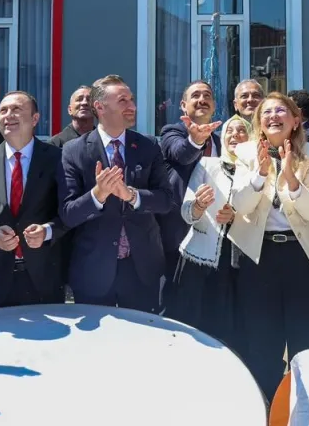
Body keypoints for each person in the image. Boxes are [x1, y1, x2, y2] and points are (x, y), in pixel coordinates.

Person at [229, 92, 309, 400]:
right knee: (262, 340)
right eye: (266, 112)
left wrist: (290, 177)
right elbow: (240, 204)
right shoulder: (245, 152)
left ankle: (303, 406)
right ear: (259, 122)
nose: (273, 116)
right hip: (259, 256)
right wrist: (260, 174)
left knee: (305, 338)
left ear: (296, 120)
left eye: (281, 111)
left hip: (301, 256)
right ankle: (268, 405)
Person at [59, 75, 176, 312]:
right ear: (100, 107)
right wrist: (98, 195)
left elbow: (166, 201)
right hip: (94, 270)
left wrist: (132, 195)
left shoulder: (148, 146)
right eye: (123, 100)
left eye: (131, 99)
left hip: (141, 268)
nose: (132, 106)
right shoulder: (74, 151)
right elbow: (68, 214)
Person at [0, 91, 67, 308]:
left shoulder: (58, 159)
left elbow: (69, 212)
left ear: (35, 119)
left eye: (17, 109)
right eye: (3, 110)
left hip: (44, 278)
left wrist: (47, 231)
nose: (8, 115)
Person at [164, 115, 250, 346]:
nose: (235, 135)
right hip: (199, 261)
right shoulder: (207, 165)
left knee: (232, 334)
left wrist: (237, 217)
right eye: (229, 130)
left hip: (240, 264)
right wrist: (199, 207)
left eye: (242, 130)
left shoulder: (259, 171)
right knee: (192, 331)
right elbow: (186, 211)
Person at [157, 80, 223, 291]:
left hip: (213, 235)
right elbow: (181, 154)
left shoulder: (220, 142)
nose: (202, 100)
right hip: (179, 234)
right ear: (183, 105)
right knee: (175, 299)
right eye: (195, 96)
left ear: (214, 105)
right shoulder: (171, 132)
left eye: (207, 96)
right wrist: (196, 140)